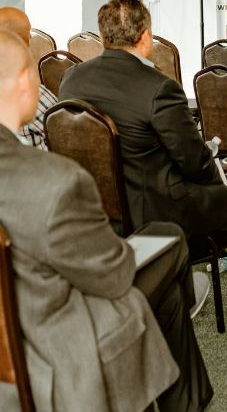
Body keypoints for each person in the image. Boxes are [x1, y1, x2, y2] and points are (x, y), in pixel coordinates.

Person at [0, 29, 213, 412]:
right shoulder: (54, 180)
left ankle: (189, 398)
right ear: (24, 82)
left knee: (163, 250)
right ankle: (188, 402)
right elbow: (111, 277)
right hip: (54, 351)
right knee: (167, 253)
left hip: (13, 335)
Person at [59, 0, 227, 297]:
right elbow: (195, 164)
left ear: (104, 36)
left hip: (93, 202)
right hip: (151, 210)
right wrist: (214, 179)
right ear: (145, 36)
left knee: (216, 198)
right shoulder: (158, 87)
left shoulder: (72, 79)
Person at [0, 6, 57, 148]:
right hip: (30, 160)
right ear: (20, 40)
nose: (31, 37)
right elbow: (64, 130)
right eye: (28, 33)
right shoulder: (30, 92)